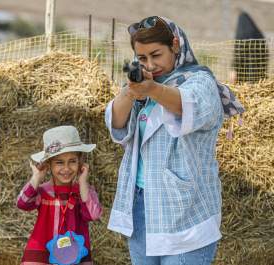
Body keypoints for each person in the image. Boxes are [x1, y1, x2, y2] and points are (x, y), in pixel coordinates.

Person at [105, 16, 244, 265]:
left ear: (176, 45)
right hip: (141, 206)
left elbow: (187, 105)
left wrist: (150, 90)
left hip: (186, 211)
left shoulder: (201, 82)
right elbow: (116, 122)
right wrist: (130, 90)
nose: (150, 64)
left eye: (156, 55)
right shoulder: (145, 84)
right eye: (142, 58)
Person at [17, 125, 102, 265]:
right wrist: (37, 177)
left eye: (72, 162)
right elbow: (22, 203)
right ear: (49, 164)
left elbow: (92, 215)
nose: (66, 169)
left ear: (80, 162)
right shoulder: (43, 192)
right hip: (43, 252)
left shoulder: (84, 191)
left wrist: (82, 183)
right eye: (59, 162)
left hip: (75, 254)